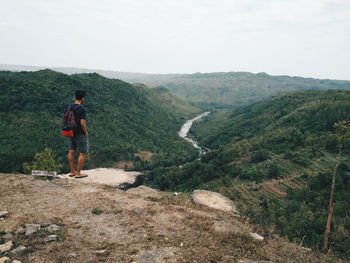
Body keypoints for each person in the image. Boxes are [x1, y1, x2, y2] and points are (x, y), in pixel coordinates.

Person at [67, 90, 89, 178]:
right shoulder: (82, 109)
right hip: (80, 133)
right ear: (82, 98)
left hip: (71, 132)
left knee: (71, 151)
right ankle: (78, 173)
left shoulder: (70, 106)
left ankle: (72, 171)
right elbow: (82, 123)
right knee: (82, 152)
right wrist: (86, 132)